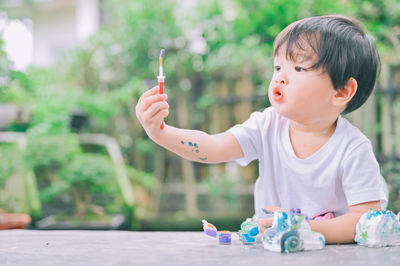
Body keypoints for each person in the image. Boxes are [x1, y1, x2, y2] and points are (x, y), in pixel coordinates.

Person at [135, 15, 387, 243]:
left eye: (298, 68)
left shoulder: (353, 149)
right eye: (278, 67)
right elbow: (212, 147)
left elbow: (365, 221)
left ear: (341, 91)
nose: (280, 77)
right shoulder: (267, 125)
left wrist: (304, 229)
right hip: (269, 250)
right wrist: (160, 132)